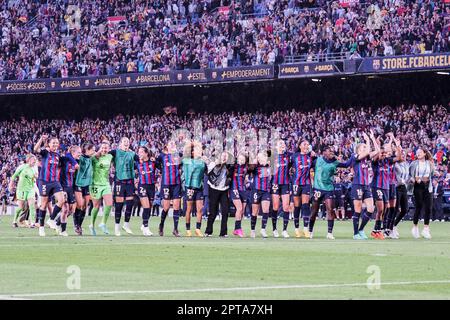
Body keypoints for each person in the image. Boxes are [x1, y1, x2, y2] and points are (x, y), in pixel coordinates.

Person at [308, 146, 348, 240]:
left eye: (332, 151)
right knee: (314, 212)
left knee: (330, 210)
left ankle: (329, 233)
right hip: (317, 188)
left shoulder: (335, 162)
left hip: (329, 189)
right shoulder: (317, 160)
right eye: (329, 151)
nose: (331, 152)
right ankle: (310, 231)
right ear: (324, 152)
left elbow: (346, 165)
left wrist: (355, 157)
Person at [346, 131, 378, 240]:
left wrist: (372, 138)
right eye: (363, 147)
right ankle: (355, 233)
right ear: (359, 150)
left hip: (366, 185)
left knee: (370, 208)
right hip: (357, 185)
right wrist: (367, 140)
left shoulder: (366, 158)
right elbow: (368, 151)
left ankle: (361, 229)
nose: (366, 149)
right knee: (358, 209)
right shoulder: (355, 156)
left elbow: (377, 151)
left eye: (366, 147)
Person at [33, 134, 65, 237]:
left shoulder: (57, 155)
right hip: (44, 181)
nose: (55, 144)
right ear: (49, 144)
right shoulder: (46, 152)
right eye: (53, 142)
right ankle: (41, 228)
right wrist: (41, 140)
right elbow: (35, 149)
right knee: (44, 204)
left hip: (55, 181)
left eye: (56, 142)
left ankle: (51, 220)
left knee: (62, 200)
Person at [110, 137, 139, 236]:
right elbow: (105, 155)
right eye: (124, 141)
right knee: (119, 205)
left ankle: (126, 225)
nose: (126, 143)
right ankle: (117, 227)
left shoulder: (132, 154)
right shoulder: (115, 152)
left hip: (130, 181)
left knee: (130, 204)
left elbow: (141, 160)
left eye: (128, 141)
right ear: (120, 144)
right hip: (119, 181)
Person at [156, 140, 182, 237]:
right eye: (170, 144)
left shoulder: (179, 155)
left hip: (176, 184)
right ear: (167, 146)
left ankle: (175, 229)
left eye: (174, 143)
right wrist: (162, 170)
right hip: (166, 184)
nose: (172, 145)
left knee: (176, 206)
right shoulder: (162, 156)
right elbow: (156, 164)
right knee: (166, 207)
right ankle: (161, 225)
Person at [204, 151, 233, 237]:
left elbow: (229, 176)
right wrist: (218, 164)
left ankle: (223, 232)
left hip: (224, 189)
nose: (224, 158)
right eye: (223, 156)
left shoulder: (230, 166)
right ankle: (208, 231)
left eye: (226, 156)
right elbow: (208, 173)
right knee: (213, 211)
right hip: (213, 189)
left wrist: (226, 166)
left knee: (225, 211)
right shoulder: (214, 163)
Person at [181, 141, 206, 237]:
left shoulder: (203, 162)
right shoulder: (187, 160)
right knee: (189, 209)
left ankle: (198, 229)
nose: (199, 151)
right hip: (189, 188)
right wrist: (193, 144)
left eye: (200, 150)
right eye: (197, 150)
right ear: (192, 152)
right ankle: (188, 229)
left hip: (199, 187)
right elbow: (185, 150)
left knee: (200, 209)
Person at [290, 140, 314, 238]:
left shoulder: (310, 157)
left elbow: (313, 169)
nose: (306, 146)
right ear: (300, 146)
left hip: (306, 184)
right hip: (296, 183)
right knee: (297, 206)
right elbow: (288, 167)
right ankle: (296, 229)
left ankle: (305, 229)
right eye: (304, 144)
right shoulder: (294, 156)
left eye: (308, 144)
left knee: (305, 205)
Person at [89, 142, 114, 236]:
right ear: (100, 148)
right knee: (96, 206)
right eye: (102, 148)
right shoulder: (94, 157)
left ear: (109, 149)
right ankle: (92, 225)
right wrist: (96, 153)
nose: (104, 149)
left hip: (106, 184)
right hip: (95, 184)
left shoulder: (110, 156)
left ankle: (103, 223)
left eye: (106, 148)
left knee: (109, 203)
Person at [409, 148, 434, 239]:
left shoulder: (430, 163)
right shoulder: (414, 163)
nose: (418, 154)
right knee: (418, 206)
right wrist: (415, 179)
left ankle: (426, 229)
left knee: (428, 207)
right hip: (417, 186)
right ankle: (415, 227)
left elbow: (432, 174)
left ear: (424, 153)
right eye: (417, 153)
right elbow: (410, 175)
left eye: (420, 152)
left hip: (428, 186)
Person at [8, 154, 38, 228]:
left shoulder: (34, 168)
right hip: (21, 189)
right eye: (33, 159)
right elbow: (14, 176)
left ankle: (32, 223)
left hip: (30, 189)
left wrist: (35, 177)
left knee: (32, 205)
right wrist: (11, 184)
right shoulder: (22, 167)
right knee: (21, 207)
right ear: (28, 160)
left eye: (35, 160)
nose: (34, 161)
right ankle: (14, 221)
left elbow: (34, 178)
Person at [249, 151, 273, 238]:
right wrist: (254, 161)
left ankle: (263, 229)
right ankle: (252, 230)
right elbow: (249, 169)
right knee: (254, 211)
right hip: (256, 190)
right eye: (258, 158)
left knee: (266, 210)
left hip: (266, 190)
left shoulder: (270, 166)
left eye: (260, 157)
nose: (259, 159)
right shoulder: (255, 167)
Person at [58, 146, 81, 236]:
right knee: (65, 209)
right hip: (63, 187)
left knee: (72, 210)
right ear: (73, 152)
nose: (80, 154)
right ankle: (63, 230)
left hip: (70, 188)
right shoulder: (65, 159)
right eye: (78, 152)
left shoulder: (76, 161)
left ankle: (57, 222)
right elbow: (67, 155)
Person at [270, 140, 291, 238]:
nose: (283, 145)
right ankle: (274, 229)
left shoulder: (288, 156)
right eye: (280, 144)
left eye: (283, 143)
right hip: (275, 184)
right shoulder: (272, 156)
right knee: (275, 207)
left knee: (286, 207)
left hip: (285, 183)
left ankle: (284, 230)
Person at [74, 143, 95, 235]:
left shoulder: (92, 159)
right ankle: (76, 225)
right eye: (92, 149)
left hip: (87, 184)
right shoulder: (80, 158)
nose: (94, 151)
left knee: (85, 206)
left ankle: (79, 226)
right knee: (79, 204)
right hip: (78, 183)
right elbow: (72, 158)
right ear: (87, 150)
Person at [136, 146, 157, 236]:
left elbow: (161, 167)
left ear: (146, 153)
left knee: (150, 207)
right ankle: (146, 228)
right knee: (146, 207)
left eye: (141, 152)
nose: (139, 154)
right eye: (139, 152)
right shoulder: (137, 162)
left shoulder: (153, 162)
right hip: (142, 186)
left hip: (151, 186)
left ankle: (143, 224)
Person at [391, 150, 410, 238]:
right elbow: (396, 176)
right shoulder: (395, 164)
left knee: (405, 209)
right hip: (396, 187)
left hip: (404, 187)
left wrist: (409, 180)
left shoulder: (406, 164)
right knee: (395, 209)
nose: (403, 156)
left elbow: (407, 176)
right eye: (401, 154)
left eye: (404, 154)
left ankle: (394, 225)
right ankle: (390, 229)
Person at [230, 153, 248, 238]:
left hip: (243, 189)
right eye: (239, 159)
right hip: (234, 189)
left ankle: (236, 229)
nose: (241, 161)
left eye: (242, 159)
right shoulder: (234, 166)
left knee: (242, 211)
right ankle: (238, 229)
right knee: (239, 208)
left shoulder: (246, 167)